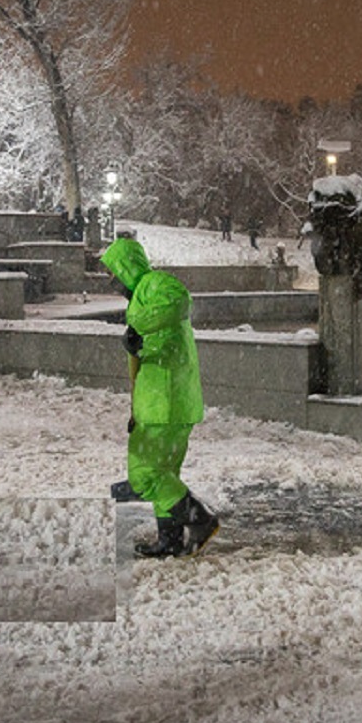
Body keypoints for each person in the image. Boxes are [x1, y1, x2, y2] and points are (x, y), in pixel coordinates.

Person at [101, 237, 219, 558]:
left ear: (127, 267)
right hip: (162, 402)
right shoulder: (140, 295)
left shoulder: (155, 284)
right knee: (165, 475)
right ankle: (170, 541)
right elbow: (139, 360)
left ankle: (200, 520)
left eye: (113, 273)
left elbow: (180, 300)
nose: (111, 282)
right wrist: (134, 409)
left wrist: (138, 328)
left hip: (164, 401)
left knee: (145, 476)